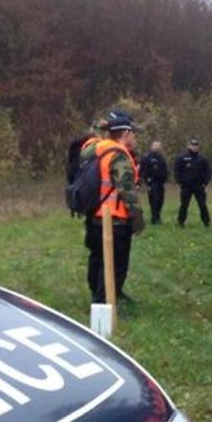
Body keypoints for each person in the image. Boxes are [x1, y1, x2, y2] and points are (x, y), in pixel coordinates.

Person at [82, 111, 144, 303]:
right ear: (125, 133)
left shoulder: (96, 149)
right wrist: (138, 221)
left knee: (98, 259)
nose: (135, 137)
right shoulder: (118, 155)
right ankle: (104, 304)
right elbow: (127, 190)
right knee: (115, 265)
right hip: (115, 220)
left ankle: (97, 295)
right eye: (133, 133)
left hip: (94, 216)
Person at [174, 138, 211, 227]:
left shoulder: (202, 158)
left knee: (202, 204)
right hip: (186, 186)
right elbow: (177, 170)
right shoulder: (182, 158)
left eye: (196, 146)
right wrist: (179, 182)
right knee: (184, 205)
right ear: (188, 146)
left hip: (199, 185)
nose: (194, 147)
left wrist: (205, 182)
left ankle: (206, 221)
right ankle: (181, 221)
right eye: (193, 145)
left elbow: (208, 171)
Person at [139, 141, 168, 225]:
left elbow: (165, 169)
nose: (157, 147)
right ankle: (155, 218)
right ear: (151, 146)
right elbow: (142, 170)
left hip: (160, 182)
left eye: (159, 146)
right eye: (155, 145)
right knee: (154, 200)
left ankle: (158, 216)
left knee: (161, 200)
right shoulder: (146, 157)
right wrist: (146, 181)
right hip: (151, 182)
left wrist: (165, 178)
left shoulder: (161, 157)